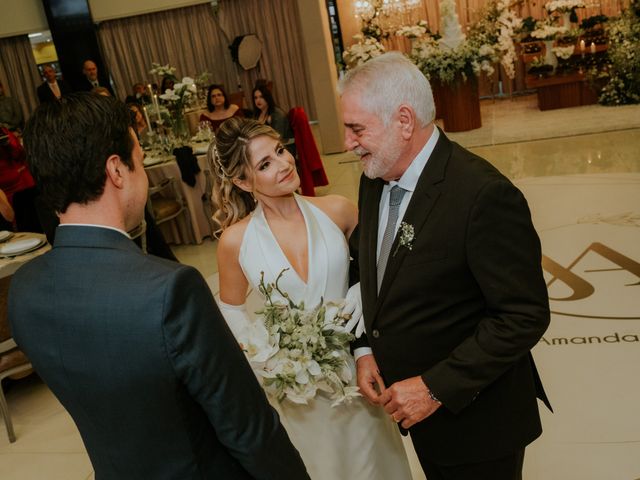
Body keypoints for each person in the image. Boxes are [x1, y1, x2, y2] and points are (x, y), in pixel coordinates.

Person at [9, 93, 308, 479]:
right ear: (117, 170)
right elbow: (248, 427)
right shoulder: (170, 291)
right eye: (139, 161)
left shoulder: (24, 290)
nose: (144, 175)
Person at [339, 52, 551, 480]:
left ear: (403, 120)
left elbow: (522, 315)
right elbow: (364, 264)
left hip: (477, 423)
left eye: (356, 128)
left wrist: (434, 387)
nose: (348, 143)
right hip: (417, 417)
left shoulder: (483, 195)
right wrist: (363, 349)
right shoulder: (373, 176)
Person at [212, 116, 412, 480]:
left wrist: (362, 290)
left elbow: (382, 262)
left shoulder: (337, 210)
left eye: (280, 150)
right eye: (265, 164)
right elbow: (230, 309)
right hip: (295, 393)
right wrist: (267, 358)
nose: (285, 164)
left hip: (357, 373)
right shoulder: (235, 241)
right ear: (242, 182)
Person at [251, 84, 294, 155]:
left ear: (267, 98)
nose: (258, 100)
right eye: (255, 98)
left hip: (284, 148)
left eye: (261, 97)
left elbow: (277, 137)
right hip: (266, 147)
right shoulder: (256, 115)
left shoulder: (277, 114)